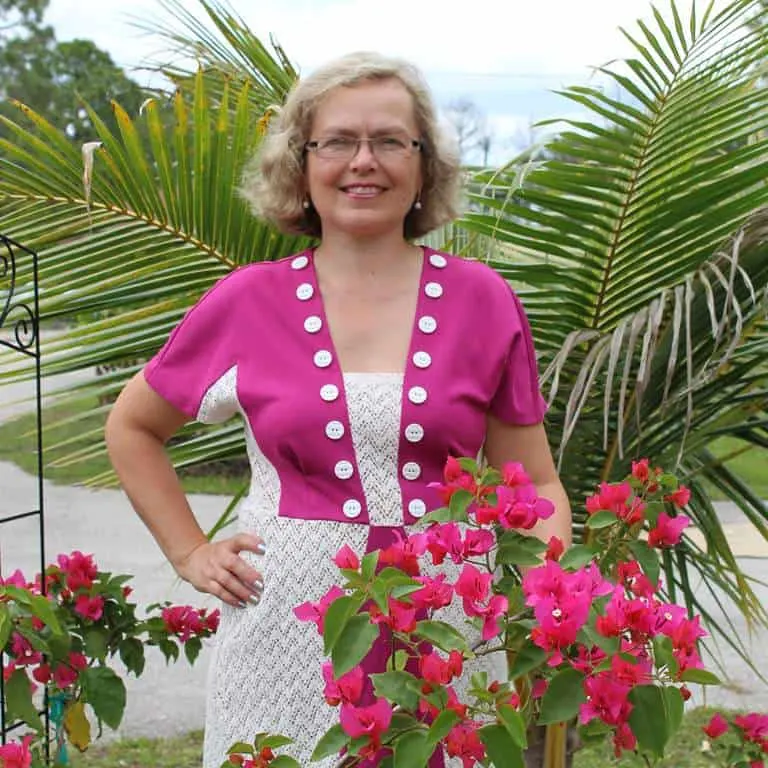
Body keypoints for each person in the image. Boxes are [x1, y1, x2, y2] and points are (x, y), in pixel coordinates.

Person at [105, 51, 572, 767]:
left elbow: (533, 485)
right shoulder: (244, 302)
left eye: (390, 141)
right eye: (338, 142)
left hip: (446, 630)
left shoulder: (485, 300)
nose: (365, 161)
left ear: (423, 165)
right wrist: (189, 551)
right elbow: (133, 426)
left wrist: (554, 601)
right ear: (302, 163)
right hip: (282, 630)